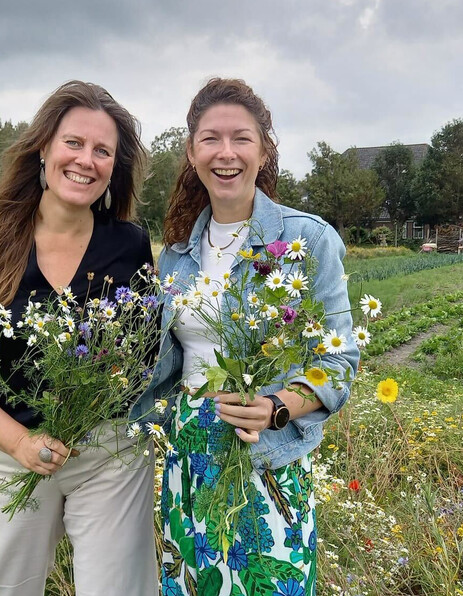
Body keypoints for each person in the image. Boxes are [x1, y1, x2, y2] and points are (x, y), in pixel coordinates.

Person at [0, 81, 156, 596]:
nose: (86, 160)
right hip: (11, 452)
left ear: (114, 169)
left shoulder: (130, 244)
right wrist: (21, 442)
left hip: (109, 455)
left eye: (103, 151)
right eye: (73, 142)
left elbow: (143, 357)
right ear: (44, 147)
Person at [142, 78, 361, 595]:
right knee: (192, 584)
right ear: (192, 152)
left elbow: (338, 362)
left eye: (241, 138)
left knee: (270, 583)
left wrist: (276, 406)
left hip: (264, 450)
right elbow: (165, 361)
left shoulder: (308, 239)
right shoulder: (175, 254)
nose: (226, 153)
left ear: (264, 151)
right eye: (210, 139)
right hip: (188, 454)